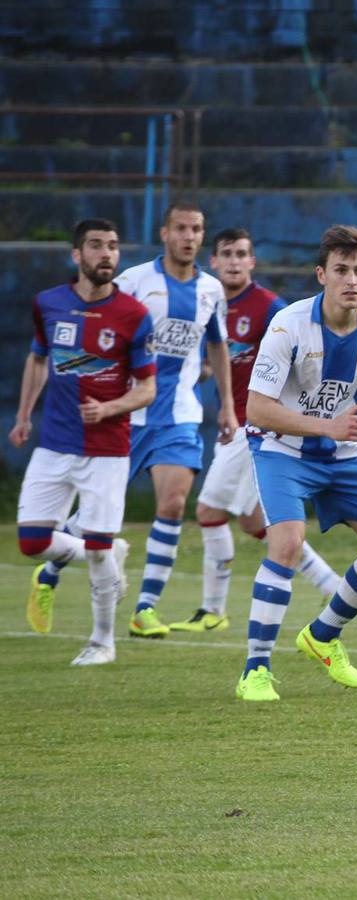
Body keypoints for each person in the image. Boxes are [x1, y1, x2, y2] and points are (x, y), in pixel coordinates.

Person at [233, 225, 357, 701]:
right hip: (280, 448)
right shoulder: (289, 325)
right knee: (287, 545)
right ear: (321, 275)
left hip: (345, 453)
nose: (351, 280)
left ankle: (323, 634)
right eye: (340, 271)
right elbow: (256, 409)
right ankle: (256, 669)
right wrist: (329, 427)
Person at [175, 227, 342, 634]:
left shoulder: (269, 307)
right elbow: (219, 362)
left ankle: (213, 610)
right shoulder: (209, 307)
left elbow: (302, 354)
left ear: (252, 262)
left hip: (260, 425)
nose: (234, 261)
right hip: (236, 426)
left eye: (242, 254)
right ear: (213, 262)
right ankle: (332, 584)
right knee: (254, 522)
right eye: (227, 254)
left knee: (209, 512)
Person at [13, 218, 155, 664]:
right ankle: (111, 550)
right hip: (54, 443)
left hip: (107, 449)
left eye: (113, 246)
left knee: (96, 551)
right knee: (32, 542)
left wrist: (109, 409)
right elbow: (38, 360)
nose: (106, 254)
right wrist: (22, 417)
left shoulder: (134, 315)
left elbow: (147, 388)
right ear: (77, 255)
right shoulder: (48, 304)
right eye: (96, 246)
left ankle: (102, 643)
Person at [111, 202, 240, 638]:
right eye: (181, 228)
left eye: (197, 229)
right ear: (164, 233)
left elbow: (218, 347)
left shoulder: (210, 290)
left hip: (180, 416)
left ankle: (145, 609)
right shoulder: (132, 282)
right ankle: (50, 574)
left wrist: (226, 405)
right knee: (99, 518)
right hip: (127, 413)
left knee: (172, 505)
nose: (189, 236)